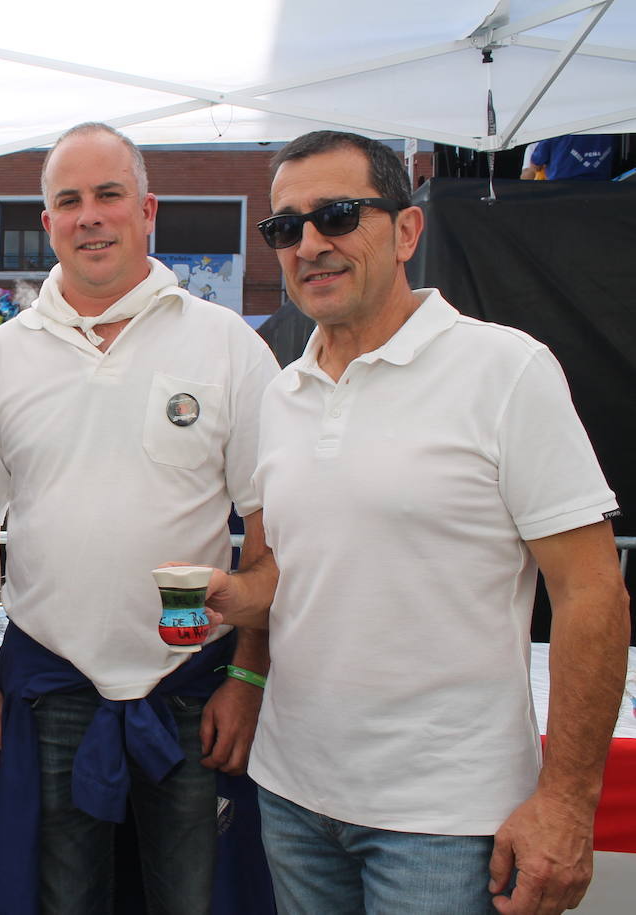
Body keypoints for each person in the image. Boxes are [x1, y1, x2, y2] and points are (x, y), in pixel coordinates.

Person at [211, 129, 629, 915]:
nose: (309, 244)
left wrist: (568, 801)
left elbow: (592, 591)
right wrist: (237, 597)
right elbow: (294, 569)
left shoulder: (506, 370)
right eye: (284, 227)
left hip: (445, 821)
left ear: (407, 230)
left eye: (337, 215)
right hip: (294, 794)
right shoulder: (282, 392)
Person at [0, 122, 278, 914]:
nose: (89, 215)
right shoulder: (2, 357)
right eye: (69, 201)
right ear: (49, 220)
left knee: (195, 900)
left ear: (147, 209)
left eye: (109, 195)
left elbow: (274, 530)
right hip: (53, 683)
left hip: (193, 684)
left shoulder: (228, 345)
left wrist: (248, 672)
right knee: (61, 900)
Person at [528, 134, 616, 181]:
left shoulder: (559, 129)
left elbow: (536, 164)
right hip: (601, 187)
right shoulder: (607, 129)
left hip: (561, 189)